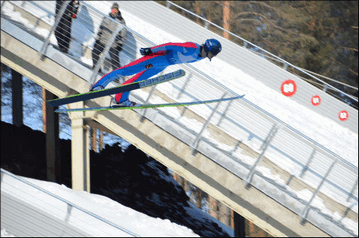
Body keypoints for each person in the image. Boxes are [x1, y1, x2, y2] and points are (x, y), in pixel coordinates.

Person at [90, 39, 222, 107]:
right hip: (156, 59)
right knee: (127, 70)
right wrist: (151, 50)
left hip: (162, 65)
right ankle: (99, 85)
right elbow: (171, 45)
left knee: (137, 81)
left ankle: (120, 99)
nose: (214, 56)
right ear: (210, 48)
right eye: (214, 53)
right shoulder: (193, 48)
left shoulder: (200, 57)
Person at [92, 3, 127, 73]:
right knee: (94, 52)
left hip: (112, 44)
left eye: (115, 9)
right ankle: (97, 69)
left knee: (115, 61)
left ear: (117, 10)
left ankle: (117, 77)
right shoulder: (106, 17)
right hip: (103, 40)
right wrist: (97, 38)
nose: (114, 11)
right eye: (113, 9)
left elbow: (123, 34)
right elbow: (100, 28)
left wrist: (119, 45)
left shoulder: (121, 21)